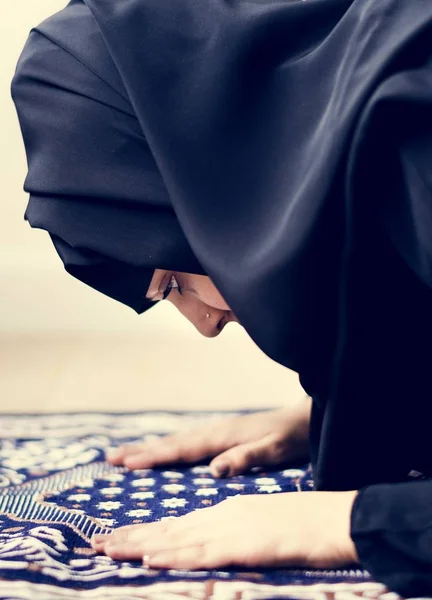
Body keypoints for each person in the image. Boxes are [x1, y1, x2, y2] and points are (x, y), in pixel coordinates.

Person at [11, 0, 432, 594]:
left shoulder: (416, 122)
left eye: (174, 282)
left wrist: (351, 523)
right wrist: (376, 411)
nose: (206, 325)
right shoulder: (377, 120)